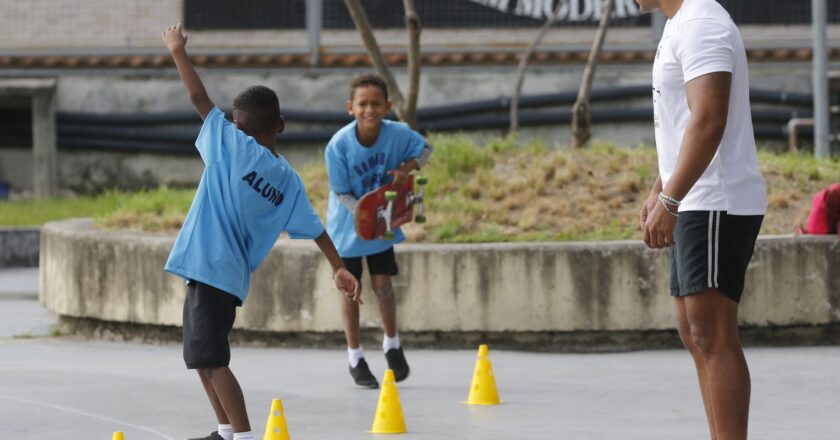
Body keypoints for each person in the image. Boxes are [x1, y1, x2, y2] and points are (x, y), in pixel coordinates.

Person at [160, 24, 360, 440]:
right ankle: (224, 431)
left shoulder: (230, 145)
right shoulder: (287, 181)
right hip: (226, 276)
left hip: (210, 268)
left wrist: (177, 50)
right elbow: (317, 230)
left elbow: (198, 98)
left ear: (236, 125)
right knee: (201, 358)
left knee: (213, 361)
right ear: (280, 125)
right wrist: (339, 267)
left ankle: (244, 435)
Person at [635, 1, 767, 439]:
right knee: (695, 332)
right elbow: (683, 125)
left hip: (715, 199)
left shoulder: (701, 23)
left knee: (712, 333)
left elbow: (709, 121)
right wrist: (660, 189)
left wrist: (670, 199)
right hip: (695, 198)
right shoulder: (679, 24)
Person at [324, 73, 432, 388]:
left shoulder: (398, 133)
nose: (369, 110)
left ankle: (392, 344)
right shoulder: (338, 146)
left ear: (388, 105)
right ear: (350, 107)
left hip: (383, 224)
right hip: (348, 228)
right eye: (362, 104)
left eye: (376, 104)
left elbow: (426, 148)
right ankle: (355, 356)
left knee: (383, 285)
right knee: (352, 290)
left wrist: (406, 169)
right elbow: (341, 193)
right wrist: (365, 212)